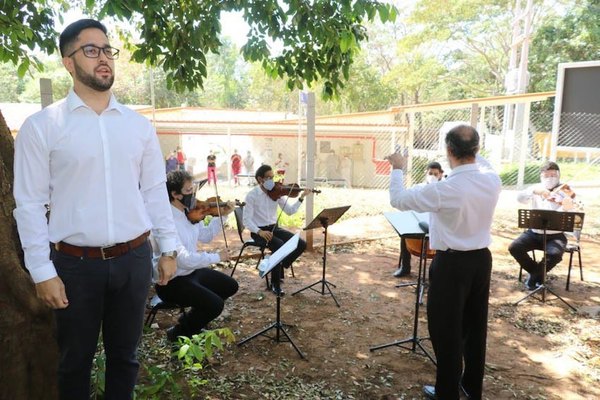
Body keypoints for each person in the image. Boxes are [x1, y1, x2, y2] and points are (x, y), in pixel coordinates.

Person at [12, 19, 178, 400]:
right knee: (74, 363)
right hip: (74, 266)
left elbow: (154, 190)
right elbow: (30, 204)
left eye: (107, 50)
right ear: (68, 63)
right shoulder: (42, 127)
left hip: (134, 259)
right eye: (90, 50)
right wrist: (41, 271)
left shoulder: (138, 126)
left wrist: (168, 248)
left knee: (126, 358)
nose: (103, 58)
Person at [387, 125, 501, 400]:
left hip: (451, 265)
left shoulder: (444, 189)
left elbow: (398, 199)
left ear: (449, 151)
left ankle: (446, 392)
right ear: (476, 149)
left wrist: (398, 167)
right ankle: (471, 388)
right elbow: (479, 160)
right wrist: (467, 146)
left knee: (445, 330)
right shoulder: (492, 180)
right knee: (475, 328)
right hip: (481, 261)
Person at [152, 171, 238, 341]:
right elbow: (183, 259)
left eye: (193, 189)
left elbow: (205, 235)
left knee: (230, 286)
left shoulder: (188, 212)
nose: (193, 195)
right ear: (175, 194)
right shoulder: (166, 220)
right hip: (171, 282)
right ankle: (178, 333)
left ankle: (190, 320)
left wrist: (223, 215)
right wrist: (216, 257)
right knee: (215, 305)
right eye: (188, 190)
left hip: (190, 273)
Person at [508, 161, 578, 290]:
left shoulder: (566, 190)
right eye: (547, 175)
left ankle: (534, 277)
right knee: (514, 247)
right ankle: (538, 273)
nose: (550, 178)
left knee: (555, 255)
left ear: (558, 175)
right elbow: (520, 198)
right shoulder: (536, 188)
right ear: (541, 176)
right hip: (533, 233)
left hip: (555, 235)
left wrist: (567, 207)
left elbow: (576, 213)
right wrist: (535, 191)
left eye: (553, 175)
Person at [243, 165, 311, 295]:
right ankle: (275, 284)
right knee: (279, 245)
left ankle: (274, 263)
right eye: (268, 178)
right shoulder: (252, 195)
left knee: (301, 244)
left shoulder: (277, 191)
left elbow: (290, 211)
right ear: (260, 179)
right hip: (259, 231)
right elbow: (247, 220)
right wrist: (259, 232)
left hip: (274, 228)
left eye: (272, 177)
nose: (272, 180)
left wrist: (301, 198)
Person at [393, 161, 444, 277]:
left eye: (435, 174)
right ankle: (405, 267)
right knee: (405, 234)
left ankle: (435, 275)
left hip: (436, 229)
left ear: (440, 174)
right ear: (426, 173)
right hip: (420, 225)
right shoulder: (418, 187)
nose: (432, 176)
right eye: (430, 173)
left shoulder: (444, 189)